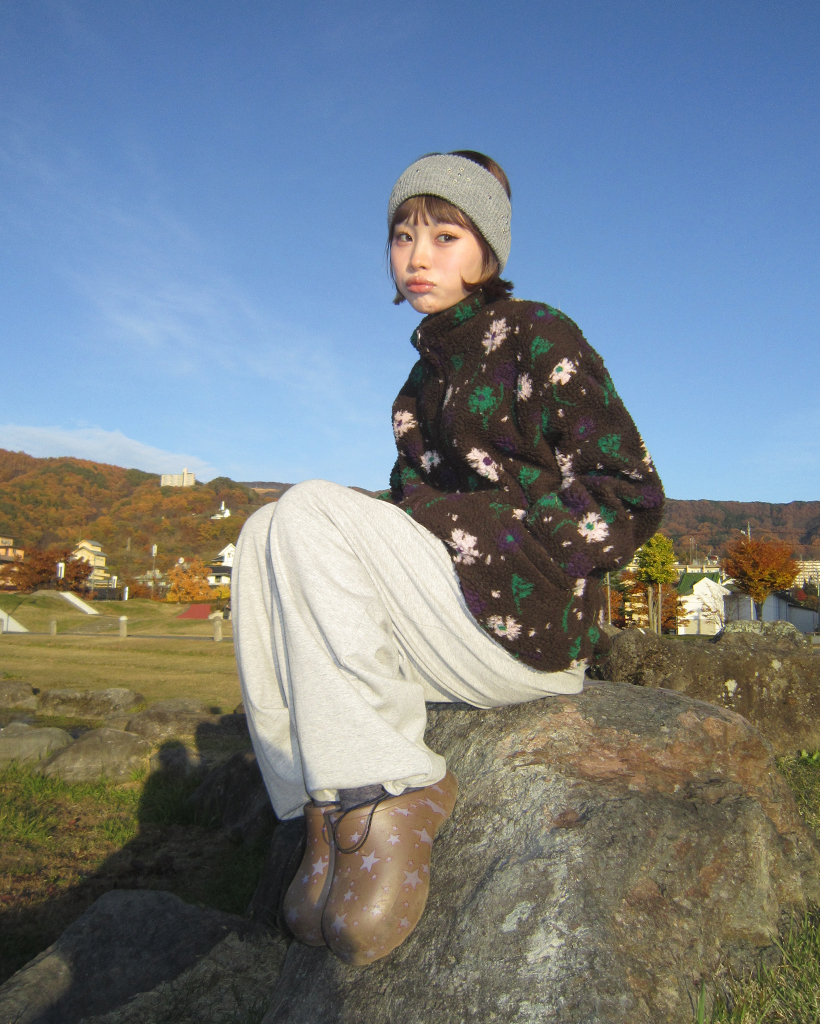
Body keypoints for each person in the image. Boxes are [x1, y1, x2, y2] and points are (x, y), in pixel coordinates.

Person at [233, 150, 664, 966]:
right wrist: (404, 518)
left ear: (487, 251)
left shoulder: (537, 333)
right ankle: (326, 804)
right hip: (457, 613)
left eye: (444, 235)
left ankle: (395, 789)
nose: (417, 256)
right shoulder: (419, 384)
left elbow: (629, 492)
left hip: (531, 623)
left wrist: (518, 544)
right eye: (403, 236)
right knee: (264, 530)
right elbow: (415, 508)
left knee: (309, 506)